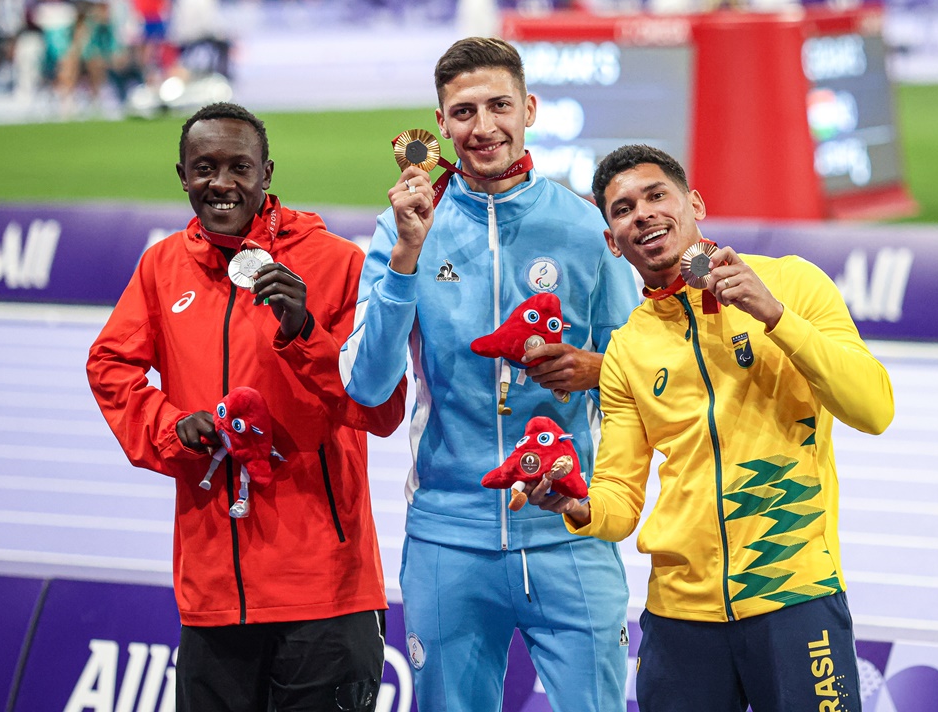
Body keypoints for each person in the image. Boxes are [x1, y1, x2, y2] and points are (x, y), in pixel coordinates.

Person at [529, 144, 894, 712]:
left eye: (656, 196)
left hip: (793, 597)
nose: (643, 214)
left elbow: (873, 409)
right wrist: (573, 505)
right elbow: (620, 501)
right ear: (612, 240)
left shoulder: (790, 284)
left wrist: (776, 317)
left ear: (693, 203)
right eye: (622, 210)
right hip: (680, 619)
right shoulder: (628, 347)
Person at [340, 37, 638, 711]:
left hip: (569, 531)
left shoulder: (587, 229)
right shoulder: (403, 230)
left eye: (499, 105)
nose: (484, 127)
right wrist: (408, 257)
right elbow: (366, 386)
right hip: (449, 537)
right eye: (464, 111)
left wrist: (597, 370)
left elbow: (643, 375)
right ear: (440, 124)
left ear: (529, 108)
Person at [87, 102, 407, 712]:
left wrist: (306, 332)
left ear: (267, 173)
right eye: (204, 168)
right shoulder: (161, 267)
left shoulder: (336, 263)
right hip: (214, 592)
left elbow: (384, 408)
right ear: (182, 175)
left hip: (325, 591)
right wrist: (175, 429)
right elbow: (111, 366)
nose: (221, 182)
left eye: (239, 166)